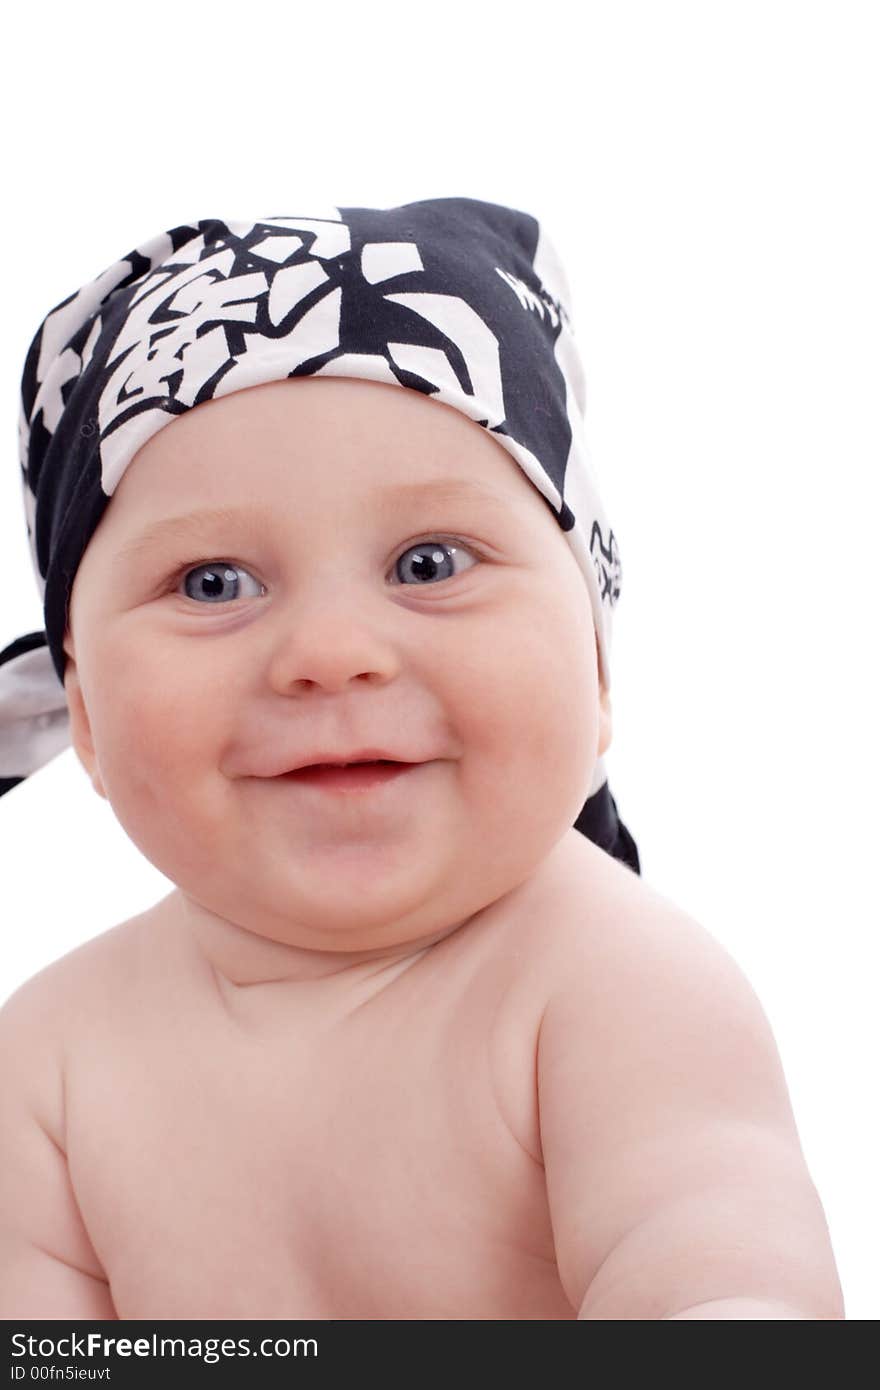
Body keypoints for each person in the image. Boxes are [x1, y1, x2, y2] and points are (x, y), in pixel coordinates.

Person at [0, 199, 843, 1319]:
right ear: (88, 712)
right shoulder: (47, 1065)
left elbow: (725, 1288)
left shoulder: (611, 986)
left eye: (429, 561)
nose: (329, 655)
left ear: (595, 667)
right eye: (212, 583)